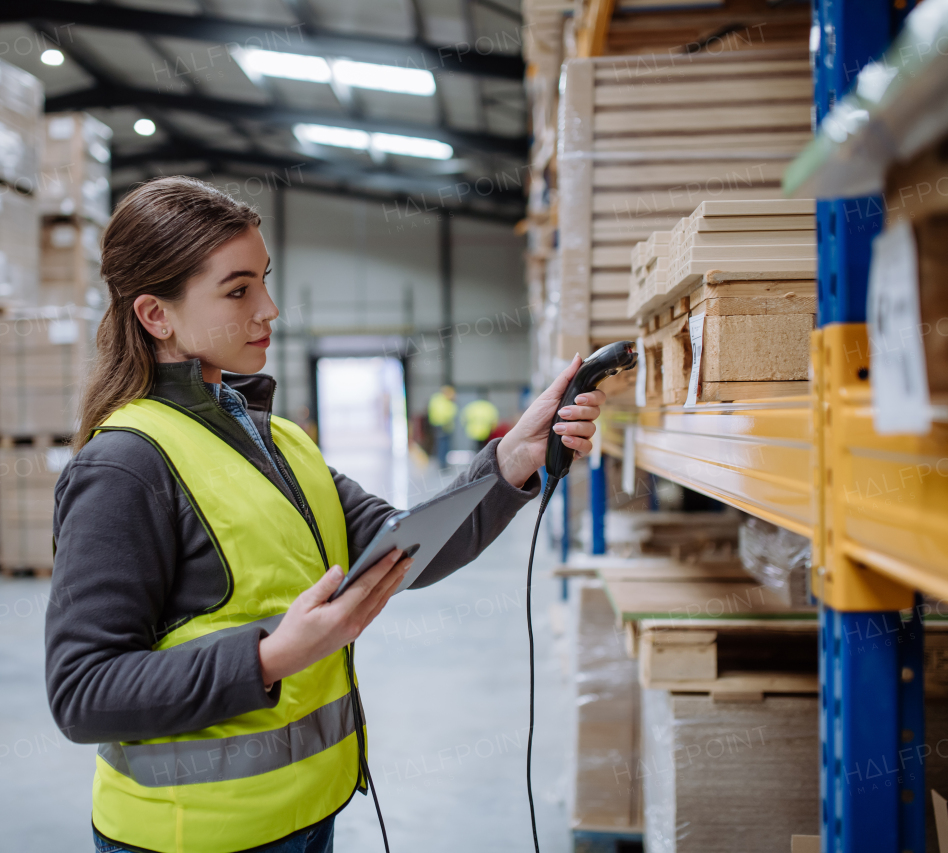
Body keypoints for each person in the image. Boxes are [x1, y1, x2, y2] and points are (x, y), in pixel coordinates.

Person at [44, 177, 605, 853]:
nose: (270, 309)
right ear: (155, 315)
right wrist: (273, 656)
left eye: (265, 281)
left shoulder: (282, 442)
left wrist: (511, 459)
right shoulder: (124, 467)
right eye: (238, 289)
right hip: (193, 837)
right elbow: (83, 690)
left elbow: (407, 548)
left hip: (308, 815)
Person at [426, 385, 457, 468]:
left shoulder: (436, 399)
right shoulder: (444, 401)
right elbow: (446, 414)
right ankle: (443, 463)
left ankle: (442, 462)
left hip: (438, 424)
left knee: (440, 443)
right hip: (443, 425)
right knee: (443, 444)